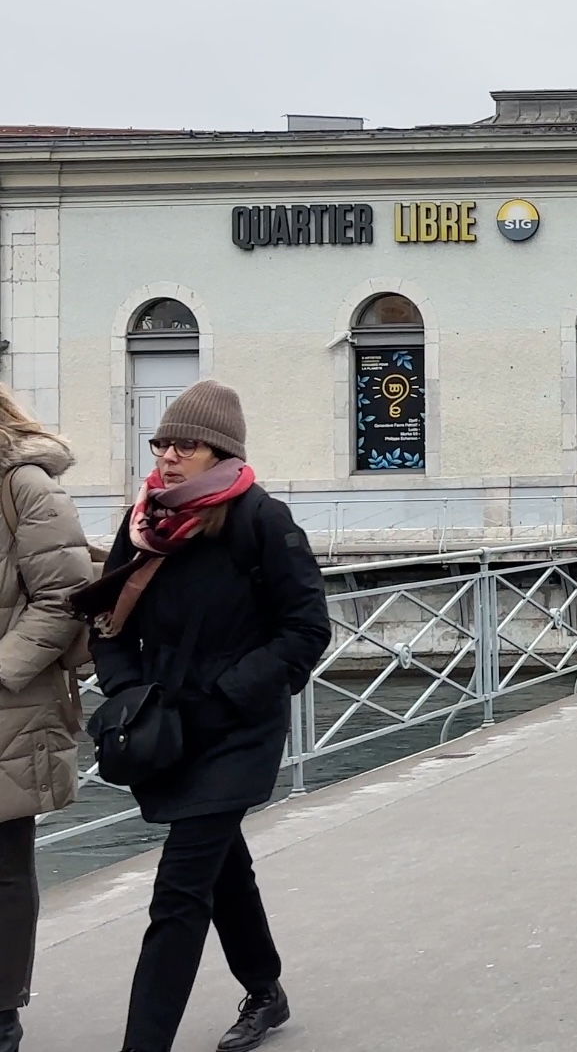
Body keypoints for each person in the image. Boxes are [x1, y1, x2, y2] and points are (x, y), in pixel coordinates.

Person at [83, 381, 329, 1052]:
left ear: (217, 450)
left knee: (179, 888)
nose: (166, 456)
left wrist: (232, 689)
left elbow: (306, 628)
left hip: (238, 728)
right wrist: (128, 689)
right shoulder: (146, 524)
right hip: (169, 730)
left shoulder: (262, 519)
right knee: (223, 865)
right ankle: (266, 989)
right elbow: (106, 624)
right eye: (161, 442)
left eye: (183, 444)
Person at [0, 385, 98, 1052]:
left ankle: (3, 1014)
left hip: (13, 702)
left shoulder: (24, 483)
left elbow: (65, 594)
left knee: (5, 863)